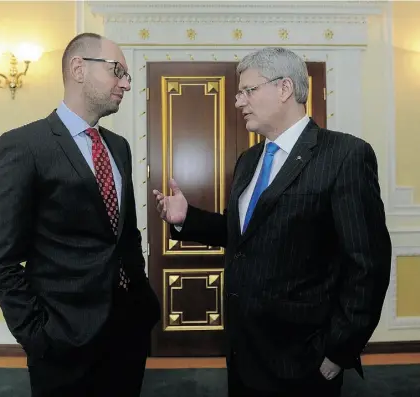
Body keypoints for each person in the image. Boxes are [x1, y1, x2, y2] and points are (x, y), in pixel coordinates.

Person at [153, 47, 391, 397]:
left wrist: (338, 351)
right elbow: (248, 235)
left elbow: (368, 264)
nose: (238, 101)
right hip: (243, 351)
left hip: (304, 359)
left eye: (248, 90)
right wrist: (188, 219)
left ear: (284, 89)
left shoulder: (344, 155)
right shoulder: (249, 160)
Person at [0, 33, 160, 397]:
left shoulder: (119, 147)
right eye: (118, 71)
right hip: (62, 341)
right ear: (78, 68)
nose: (126, 83)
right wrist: (38, 335)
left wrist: (143, 308)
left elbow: (125, 237)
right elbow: (1, 262)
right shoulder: (25, 145)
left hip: (128, 332)